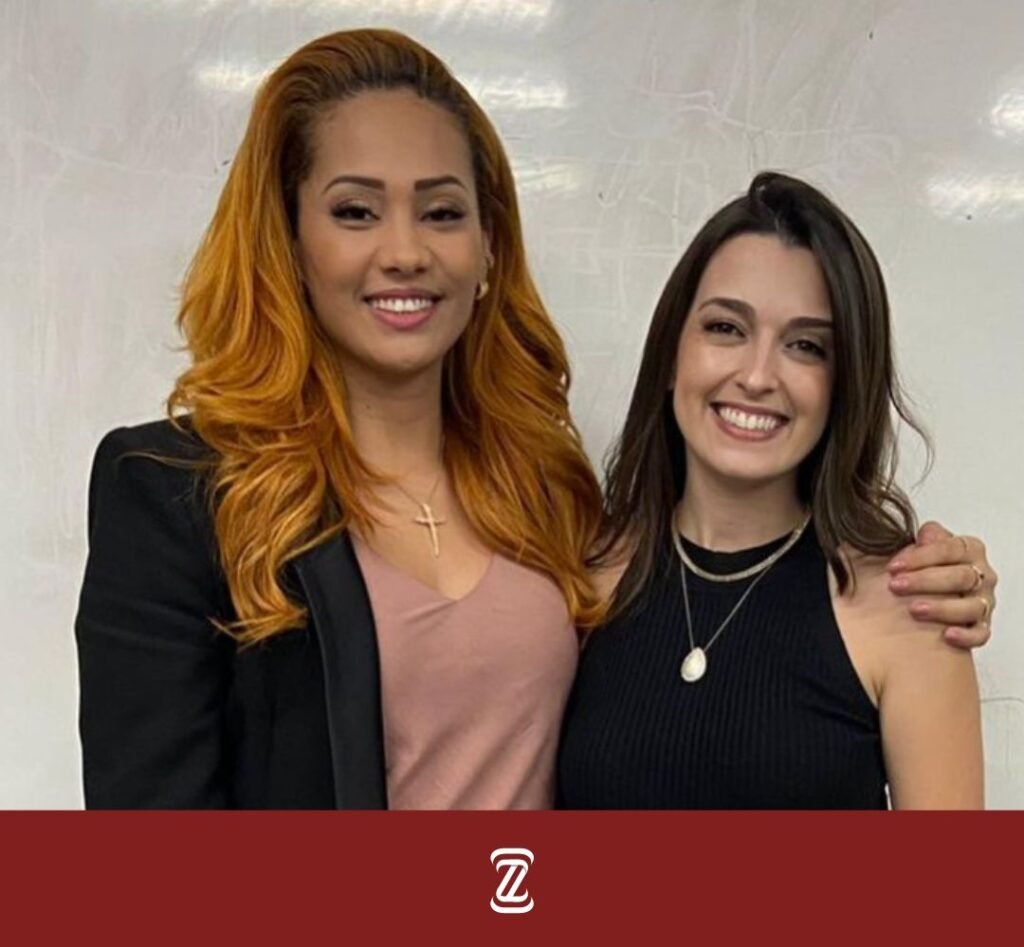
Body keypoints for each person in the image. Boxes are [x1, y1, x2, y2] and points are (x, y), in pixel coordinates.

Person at [76, 30, 995, 809]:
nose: (405, 251)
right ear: (289, 241)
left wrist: (937, 574)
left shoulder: (544, 495)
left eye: (442, 211)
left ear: (487, 248)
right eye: (355, 211)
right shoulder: (180, 496)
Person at [557, 172, 987, 809]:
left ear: (845, 385)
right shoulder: (580, 579)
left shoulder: (912, 611)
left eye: (806, 346)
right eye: (726, 328)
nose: (758, 376)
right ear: (672, 353)